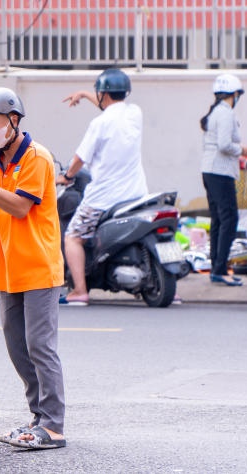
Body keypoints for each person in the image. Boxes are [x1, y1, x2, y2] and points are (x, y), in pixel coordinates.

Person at [0, 87, 66, 450]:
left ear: (13, 120)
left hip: (38, 265)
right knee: (18, 346)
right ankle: (38, 417)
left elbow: (20, 208)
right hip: (8, 267)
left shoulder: (37, 157)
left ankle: (53, 425)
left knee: (40, 345)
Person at [55, 68, 148, 306]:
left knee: (73, 236)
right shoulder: (135, 113)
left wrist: (66, 176)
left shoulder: (99, 123)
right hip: (136, 194)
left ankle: (79, 290)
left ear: (103, 94)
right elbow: (111, 109)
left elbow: (79, 159)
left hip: (103, 197)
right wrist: (86, 95)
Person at [199, 74, 247, 287]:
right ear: (235, 94)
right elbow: (224, 145)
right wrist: (243, 150)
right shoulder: (226, 113)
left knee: (218, 220)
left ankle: (217, 268)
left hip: (210, 170)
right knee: (229, 219)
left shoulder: (216, 112)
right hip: (220, 171)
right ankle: (220, 269)